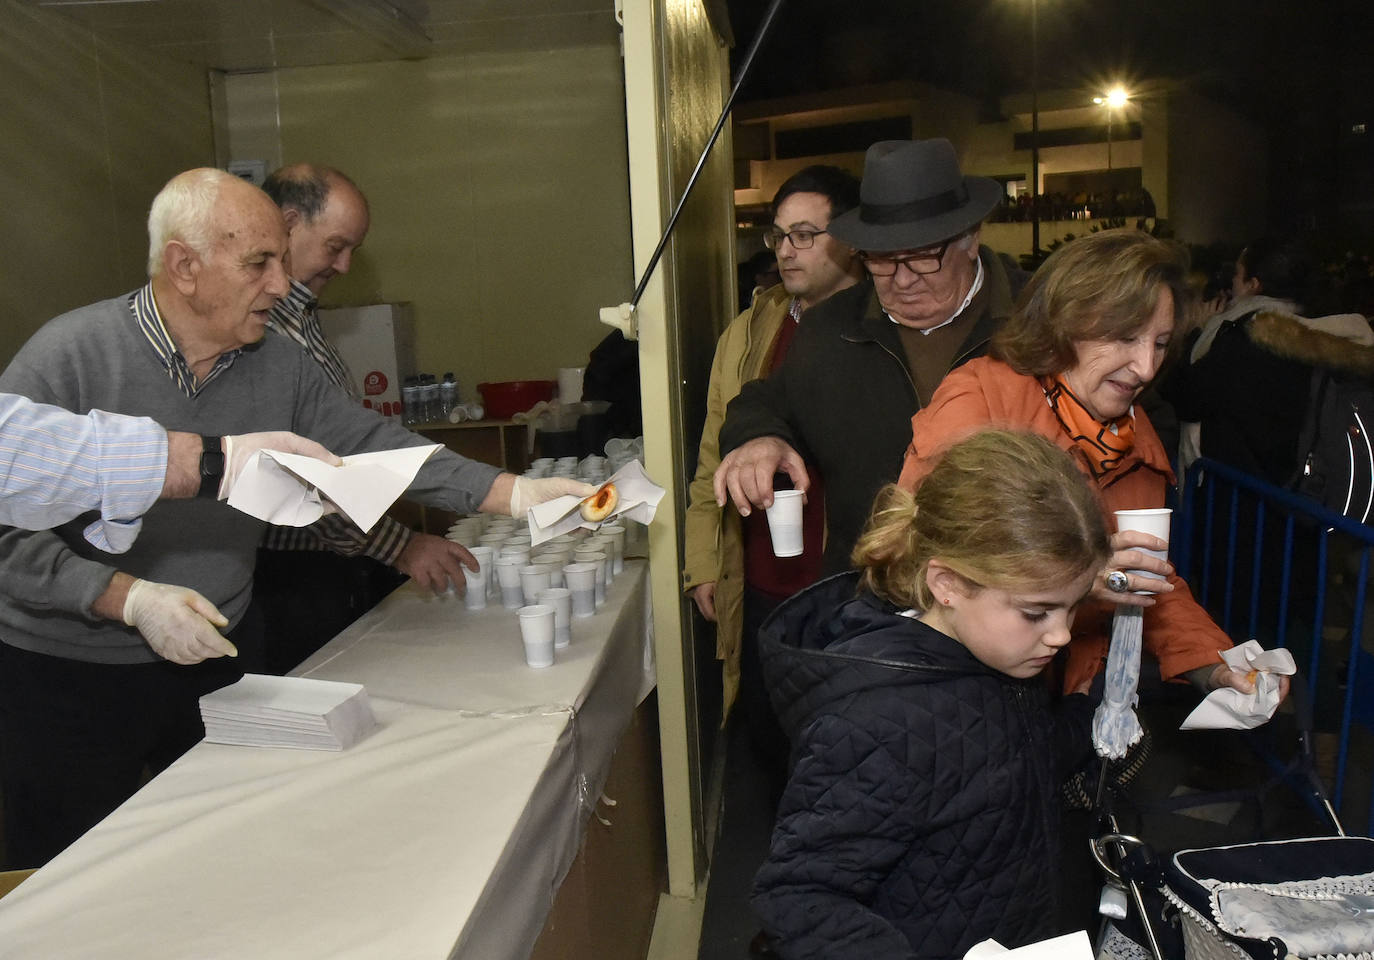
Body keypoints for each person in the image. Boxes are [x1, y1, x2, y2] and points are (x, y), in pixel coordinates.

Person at [0, 167, 590, 869]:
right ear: (184, 266)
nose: (283, 286)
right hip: (68, 672)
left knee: (227, 855)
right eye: (260, 264)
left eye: (283, 260)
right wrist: (125, 598)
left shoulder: (276, 362)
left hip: (218, 656)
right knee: (70, 871)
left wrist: (509, 492)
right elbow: (6, 535)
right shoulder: (70, 355)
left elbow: (372, 445)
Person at [751, 429, 1108, 959]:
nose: (1060, 635)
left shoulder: (1004, 655)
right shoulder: (877, 724)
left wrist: (1088, 718)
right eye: (1037, 612)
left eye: (1073, 607)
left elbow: (1007, 756)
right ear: (947, 584)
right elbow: (799, 896)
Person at [897, 230, 1275, 701]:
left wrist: (1214, 666)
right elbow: (911, 553)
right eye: (1125, 338)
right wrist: (1078, 580)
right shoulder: (982, 400)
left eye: (1159, 343)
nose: (1146, 368)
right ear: (1063, 323)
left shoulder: (1139, 440)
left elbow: (1146, 580)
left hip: (1070, 695)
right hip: (964, 690)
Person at [713, 139, 1023, 575]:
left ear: (970, 239)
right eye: (882, 260)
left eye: (922, 257)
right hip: (870, 593)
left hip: (1010, 589)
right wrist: (759, 437)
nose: (902, 280)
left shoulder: (1040, 315)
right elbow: (765, 402)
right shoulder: (832, 328)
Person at [257, 163, 474, 672]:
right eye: (336, 246)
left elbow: (347, 446)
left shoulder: (302, 318)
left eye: (353, 249)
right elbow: (297, 481)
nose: (345, 265)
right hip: (286, 575)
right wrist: (400, 546)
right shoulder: (262, 331)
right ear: (288, 224)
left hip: (331, 561)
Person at [682, 166, 862, 774]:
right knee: (771, 752)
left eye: (805, 234)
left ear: (852, 240)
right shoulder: (750, 331)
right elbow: (712, 454)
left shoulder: (881, 331)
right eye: (779, 235)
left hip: (848, 586)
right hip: (760, 583)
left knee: (846, 758)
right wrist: (705, 562)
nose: (786, 250)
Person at [0, 393, 336, 548]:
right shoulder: (71, 346)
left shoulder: (283, 358)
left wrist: (225, 463)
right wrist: (218, 464)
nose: (280, 286)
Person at [1168, 238, 1374, 483]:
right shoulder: (1322, 331)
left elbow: (1189, 398)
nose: (1231, 282)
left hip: (1239, 486)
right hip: (1295, 483)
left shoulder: (1244, 338)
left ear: (1253, 285)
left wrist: (1195, 334)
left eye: (1237, 274)